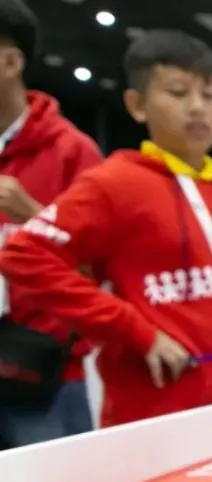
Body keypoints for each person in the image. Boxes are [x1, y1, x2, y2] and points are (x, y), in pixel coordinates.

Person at [0, 30, 212, 428]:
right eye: (179, 93)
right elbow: (23, 255)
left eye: (210, 95)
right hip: (154, 408)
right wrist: (133, 329)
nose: (197, 108)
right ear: (137, 105)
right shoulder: (114, 183)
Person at [0, 0, 103, 448]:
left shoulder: (73, 152)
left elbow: (99, 268)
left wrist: (34, 216)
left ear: (11, 62)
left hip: (44, 373)